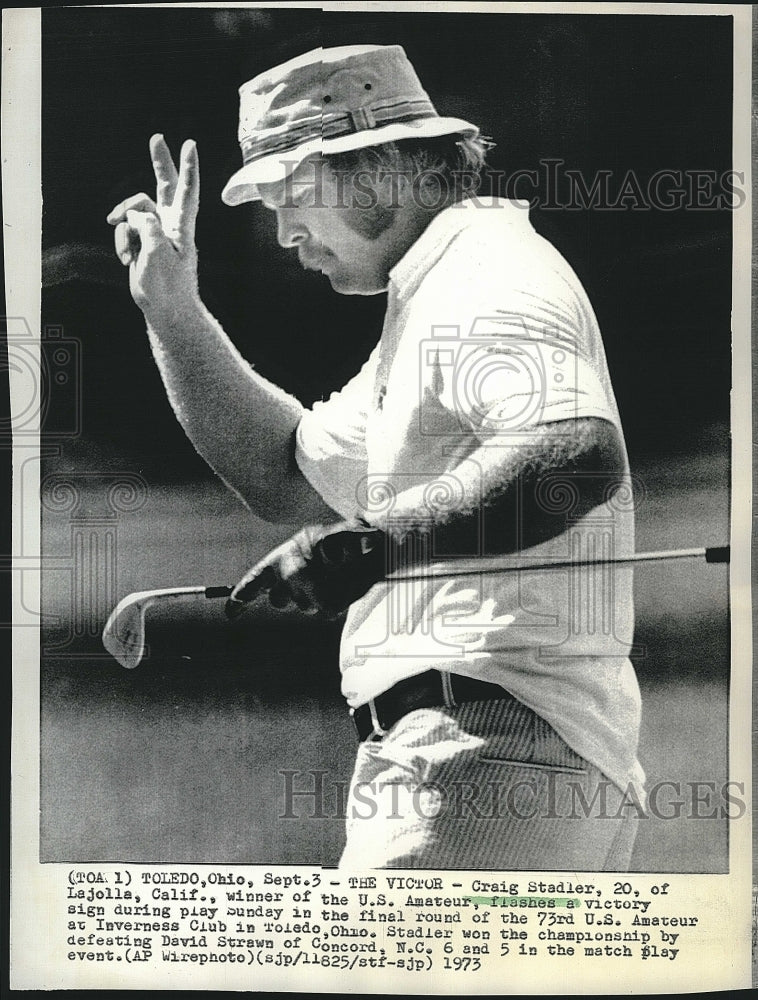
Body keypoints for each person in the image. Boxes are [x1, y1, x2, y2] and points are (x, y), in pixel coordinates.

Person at [108, 44, 645, 869]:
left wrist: (378, 540)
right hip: (500, 752)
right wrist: (173, 313)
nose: (285, 231)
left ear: (384, 166)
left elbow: (576, 457)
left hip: (480, 747)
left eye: (293, 194)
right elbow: (284, 474)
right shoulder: (437, 290)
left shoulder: (486, 278)